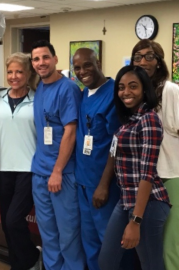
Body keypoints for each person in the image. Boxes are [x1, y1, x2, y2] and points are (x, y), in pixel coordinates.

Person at [98, 65, 170, 270]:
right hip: (126, 200)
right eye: (121, 87)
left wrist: (136, 221)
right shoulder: (128, 121)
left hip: (149, 203)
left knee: (151, 264)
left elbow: (147, 174)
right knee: (106, 261)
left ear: (144, 90)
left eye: (133, 86)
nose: (126, 92)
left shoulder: (149, 119)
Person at [30, 40, 85, 270]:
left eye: (45, 57)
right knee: (48, 234)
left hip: (61, 174)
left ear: (55, 59)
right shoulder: (40, 87)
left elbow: (70, 132)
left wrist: (57, 171)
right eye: (36, 59)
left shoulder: (68, 88)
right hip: (40, 172)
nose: (41, 63)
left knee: (68, 234)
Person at [130, 39, 179, 270]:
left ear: (159, 61)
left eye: (149, 56)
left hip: (171, 177)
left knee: (172, 246)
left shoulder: (170, 90)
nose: (143, 61)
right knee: (151, 247)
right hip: (147, 181)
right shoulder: (138, 94)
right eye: (138, 57)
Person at [72, 48, 121, 270]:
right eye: (78, 68)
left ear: (98, 62)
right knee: (90, 244)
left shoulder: (114, 94)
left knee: (109, 244)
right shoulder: (83, 94)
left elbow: (117, 144)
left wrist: (103, 185)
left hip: (104, 185)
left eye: (87, 65)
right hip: (83, 182)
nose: (83, 71)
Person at [0, 52, 41, 270]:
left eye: (19, 72)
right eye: (10, 72)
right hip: (3, 168)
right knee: (7, 224)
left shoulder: (37, 99)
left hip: (28, 169)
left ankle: (32, 257)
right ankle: (18, 265)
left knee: (14, 220)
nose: (14, 76)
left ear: (28, 73)